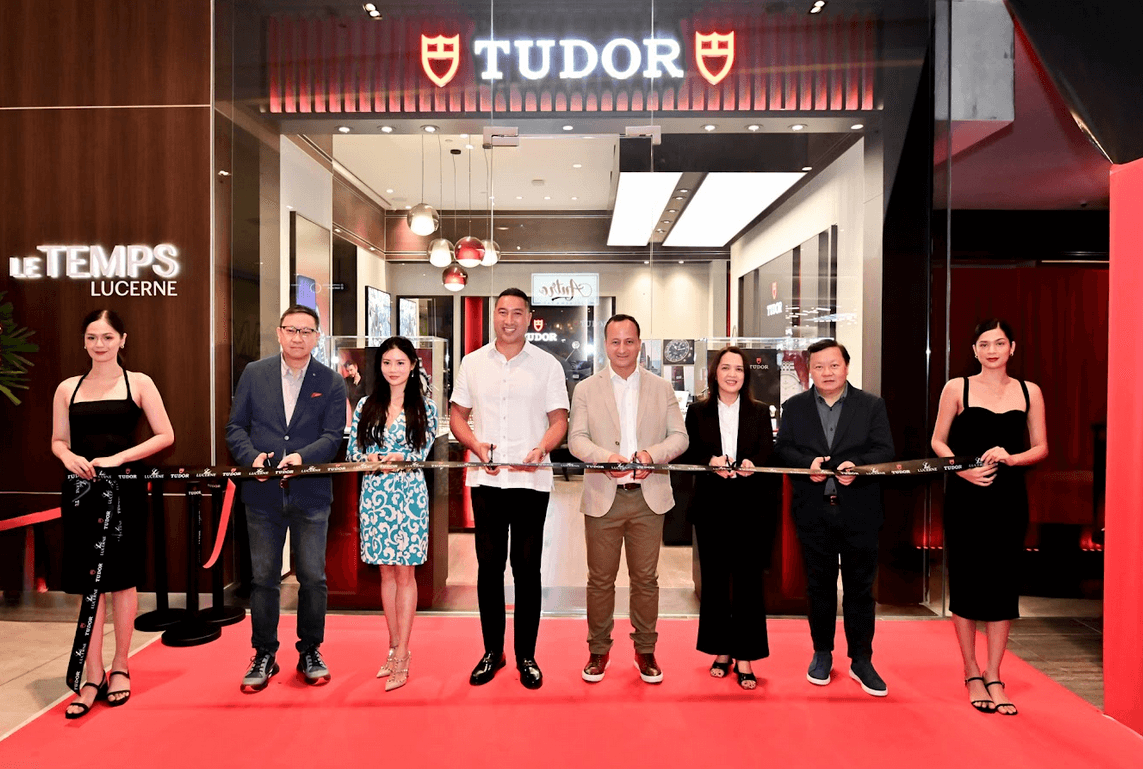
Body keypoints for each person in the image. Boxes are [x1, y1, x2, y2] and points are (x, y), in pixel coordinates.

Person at [51, 309, 175, 718]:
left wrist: (119, 457)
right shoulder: (67, 388)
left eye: (106, 337)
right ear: (83, 341)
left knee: (122, 581)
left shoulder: (138, 382)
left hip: (125, 492)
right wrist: (69, 458)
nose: (98, 345)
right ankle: (92, 673)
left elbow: (165, 435)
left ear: (123, 339)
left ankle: (121, 664)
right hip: (81, 493)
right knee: (88, 583)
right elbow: (58, 440)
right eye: (91, 337)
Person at [449, 288, 569, 690]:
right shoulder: (473, 362)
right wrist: (474, 444)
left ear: (530, 318)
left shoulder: (547, 365)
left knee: (527, 569)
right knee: (489, 569)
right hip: (487, 479)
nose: (509, 319)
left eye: (517, 313)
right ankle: (492, 651)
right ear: (494, 316)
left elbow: (558, 421)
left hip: (531, 481)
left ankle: (527, 655)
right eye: (502, 312)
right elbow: (457, 416)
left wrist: (543, 447)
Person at [226, 305, 347, 692]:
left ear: (316, 337)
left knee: (313, 577)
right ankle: (264, 653)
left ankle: (310, 649)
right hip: (261, 493)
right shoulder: (254, 374)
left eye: (306, 331)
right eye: (291, 330)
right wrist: (252, 458)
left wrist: (303, 458)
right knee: (263, 579)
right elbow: (235, 427)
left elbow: (333, 435)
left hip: (311, 492)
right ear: (279, 333)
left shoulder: (330, 381)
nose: (298, 337)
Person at [931, 319, 1047, 716]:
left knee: (1002, 587)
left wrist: (1013, 458)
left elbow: (1042, 447)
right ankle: (970, 670)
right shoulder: (957, 387)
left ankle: (995, 673)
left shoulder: (1029, 392)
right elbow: (937, 440)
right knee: (966, 584)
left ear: (1012, 347)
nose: (992, 350)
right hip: (966, 498)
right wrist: (959, 469)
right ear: (975, 349)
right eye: (984, 343)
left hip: (1009, 500)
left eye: (1000, 343)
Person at [568, 314, 688, 684]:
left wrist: (651, 456)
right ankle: (598, 650)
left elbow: (679, 437)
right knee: (600, 580)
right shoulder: (587, 388)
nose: (622, 349)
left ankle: (645, 650)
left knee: (646, 580)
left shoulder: (661, 388)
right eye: (615, 342)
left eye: (629, 341)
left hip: (648, 498)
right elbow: (577, 439)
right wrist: (605, 459)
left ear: (640, 344)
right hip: (604, 496)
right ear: (605, 344)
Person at [775, 339, 894, 696]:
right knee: (819, 587)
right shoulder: (794, 407)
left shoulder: (871, 405)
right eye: (818, 366)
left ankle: (861, 659)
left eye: (833, 365)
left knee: (860, 589)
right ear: (808, 370)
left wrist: (858, 469)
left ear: (846, 366)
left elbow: (885, 451)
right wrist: (804, 466)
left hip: (860, 512)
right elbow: (782, 450)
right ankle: (822, 653)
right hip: (813, 512)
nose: (826, 373)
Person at [682, 346, 778, 690]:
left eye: (738, 369)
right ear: (715, 373)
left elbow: (768, 450)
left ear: (745, 375)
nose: (732, 374)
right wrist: (710, 460)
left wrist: (753, 462)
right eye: (726, 368)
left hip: (750, 507)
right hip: (712, 506)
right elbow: (689, 449)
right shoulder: (697, 412)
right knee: (716, 582)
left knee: (749, 583)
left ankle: (746, 656)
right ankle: (721, 650)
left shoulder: (758, 411)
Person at [347, 337, 438, 692]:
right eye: (387, 362)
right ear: (379, 366)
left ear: (413, 366)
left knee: (405, 574)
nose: (394, 369)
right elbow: (354, 448)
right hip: (375, 495)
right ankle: (392, 644)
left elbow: (424, 450)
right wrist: (368, 460)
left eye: (401, 362)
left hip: (410, 496)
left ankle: (403, 653)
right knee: (386, 572)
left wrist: (403, 459)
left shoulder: (425, 406)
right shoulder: (366, 405)